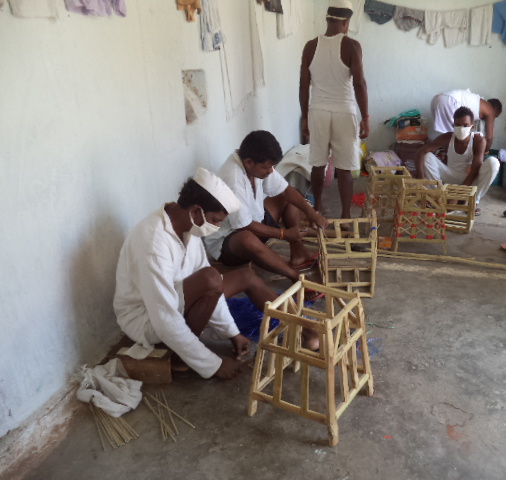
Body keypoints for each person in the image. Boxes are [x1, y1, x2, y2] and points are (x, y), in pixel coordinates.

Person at [114, 168, 278, 380]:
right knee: (210, 278)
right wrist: (212, 365)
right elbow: (164, 318)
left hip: (170, 303)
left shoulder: (187, 227)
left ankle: (186, 348)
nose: (217, 226)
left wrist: (232, 333)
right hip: (145, 318)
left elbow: (212, 286)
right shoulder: (153, 242)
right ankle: (182, 358)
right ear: (196, 211)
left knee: (219, 277)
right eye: (215, 220)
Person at [203, 130, 328, 302]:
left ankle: (298, 254)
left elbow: (285, 190)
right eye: (266, 167)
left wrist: (312, 213)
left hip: (255, 222)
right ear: (249, 162)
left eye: (272, 167)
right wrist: (284, 234)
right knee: (247, 238)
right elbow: (244, 225)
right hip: (228, 242)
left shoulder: (257, 165)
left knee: (291, 196)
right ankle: (295, 276)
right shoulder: (232, 177)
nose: (270, 171)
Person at [299, 0, 369, 219]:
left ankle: (317, 210)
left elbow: (303, 84)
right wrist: (365, 115)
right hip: (344, 112)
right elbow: (360, 84)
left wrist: (305, 116)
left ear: (327, 19)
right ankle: (346, 217)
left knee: (318, 164)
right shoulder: (351, 45)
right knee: (345, 168)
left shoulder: (310, 46)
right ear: (346, 23)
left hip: (318, 111)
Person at [417, 107, 499, 214]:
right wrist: (421, 178)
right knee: (427, 156)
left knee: (494, 162)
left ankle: (474, 201)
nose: (461, 128)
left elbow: (475, 170)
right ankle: (438, 196)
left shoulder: (479, 141)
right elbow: (420, 152)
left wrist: (458, 196)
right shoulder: (447, 138)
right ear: (453, 126)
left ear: (472, 127)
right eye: (458, 125)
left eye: (465, 125)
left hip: (470, 178)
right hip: (450, 176)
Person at [430, 89, 502, 152]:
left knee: (448, 137)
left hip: (438, 99)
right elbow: (489, 137)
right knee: (453, 139)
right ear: (494, 111)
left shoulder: (479, 103)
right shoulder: (490, 110)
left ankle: (434, 152)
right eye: (494, 117)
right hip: (451, 101)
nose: (492, 119)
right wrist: (486, 151)